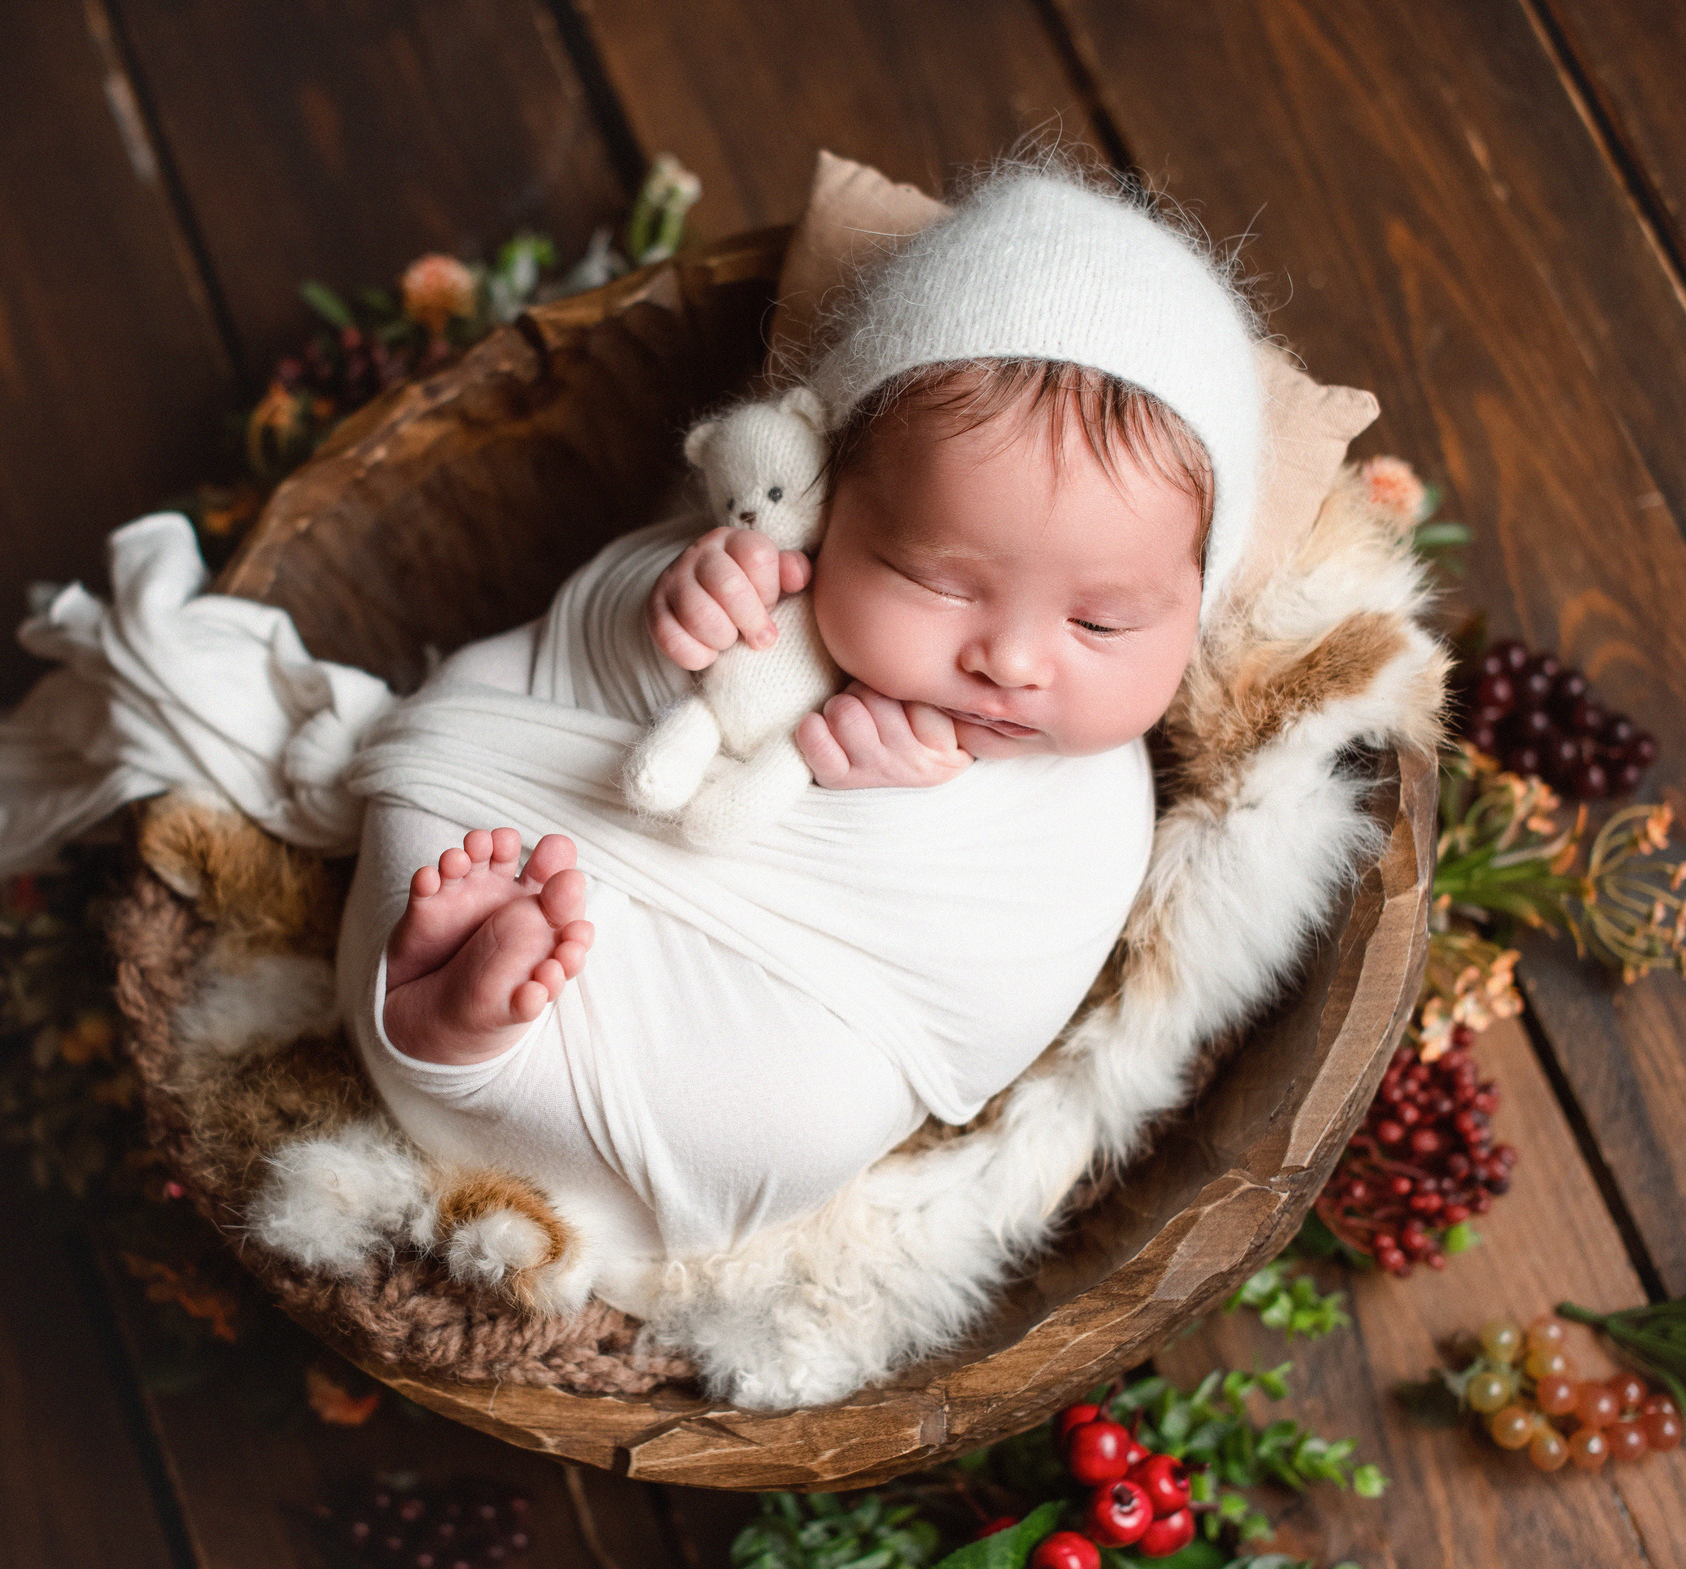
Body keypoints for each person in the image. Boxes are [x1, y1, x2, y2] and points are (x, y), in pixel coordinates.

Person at [333, 163, 1267, 1304]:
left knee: (804, 1112)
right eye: (939, 580)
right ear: (828, 501)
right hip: (551, 821)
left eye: (1101, 621)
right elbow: (574, 648)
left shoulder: (1094, 808)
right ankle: (445, 1019)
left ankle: (448, 1044)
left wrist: (898, 806)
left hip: (775, 1010)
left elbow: (999, 999)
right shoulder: (762, 574)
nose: (1014, 661)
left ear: (1197, 604)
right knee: (439, 784)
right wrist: (679, 608)